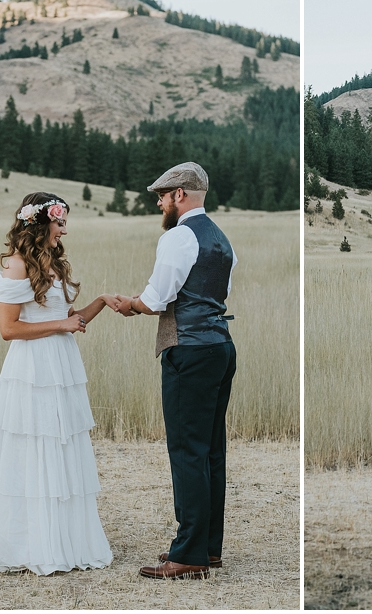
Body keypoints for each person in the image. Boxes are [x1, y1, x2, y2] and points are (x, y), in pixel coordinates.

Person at [110, 162, 237, 580]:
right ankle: (208, 547)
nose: (160, 204)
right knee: (211, 451)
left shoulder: (178, 237)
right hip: (220, 348)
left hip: (189, 353)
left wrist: (130, 303)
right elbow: (214, 296)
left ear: (180, 194)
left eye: (162, 196)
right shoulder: (222, 239)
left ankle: (188, 554)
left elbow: (157, 298)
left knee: (186, 451)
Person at [0, 192, 115, 575]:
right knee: (35, 447)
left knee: (63, 445)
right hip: (32, 369)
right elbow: (9, 329)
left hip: (62, 365)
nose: (64, 230)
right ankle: (31, 544)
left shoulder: (52, 263)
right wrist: (62, 325)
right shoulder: (17, 265)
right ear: (40, 223)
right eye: (60, 223)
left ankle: (64, 540)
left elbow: (69, 317)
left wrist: (102, 301)